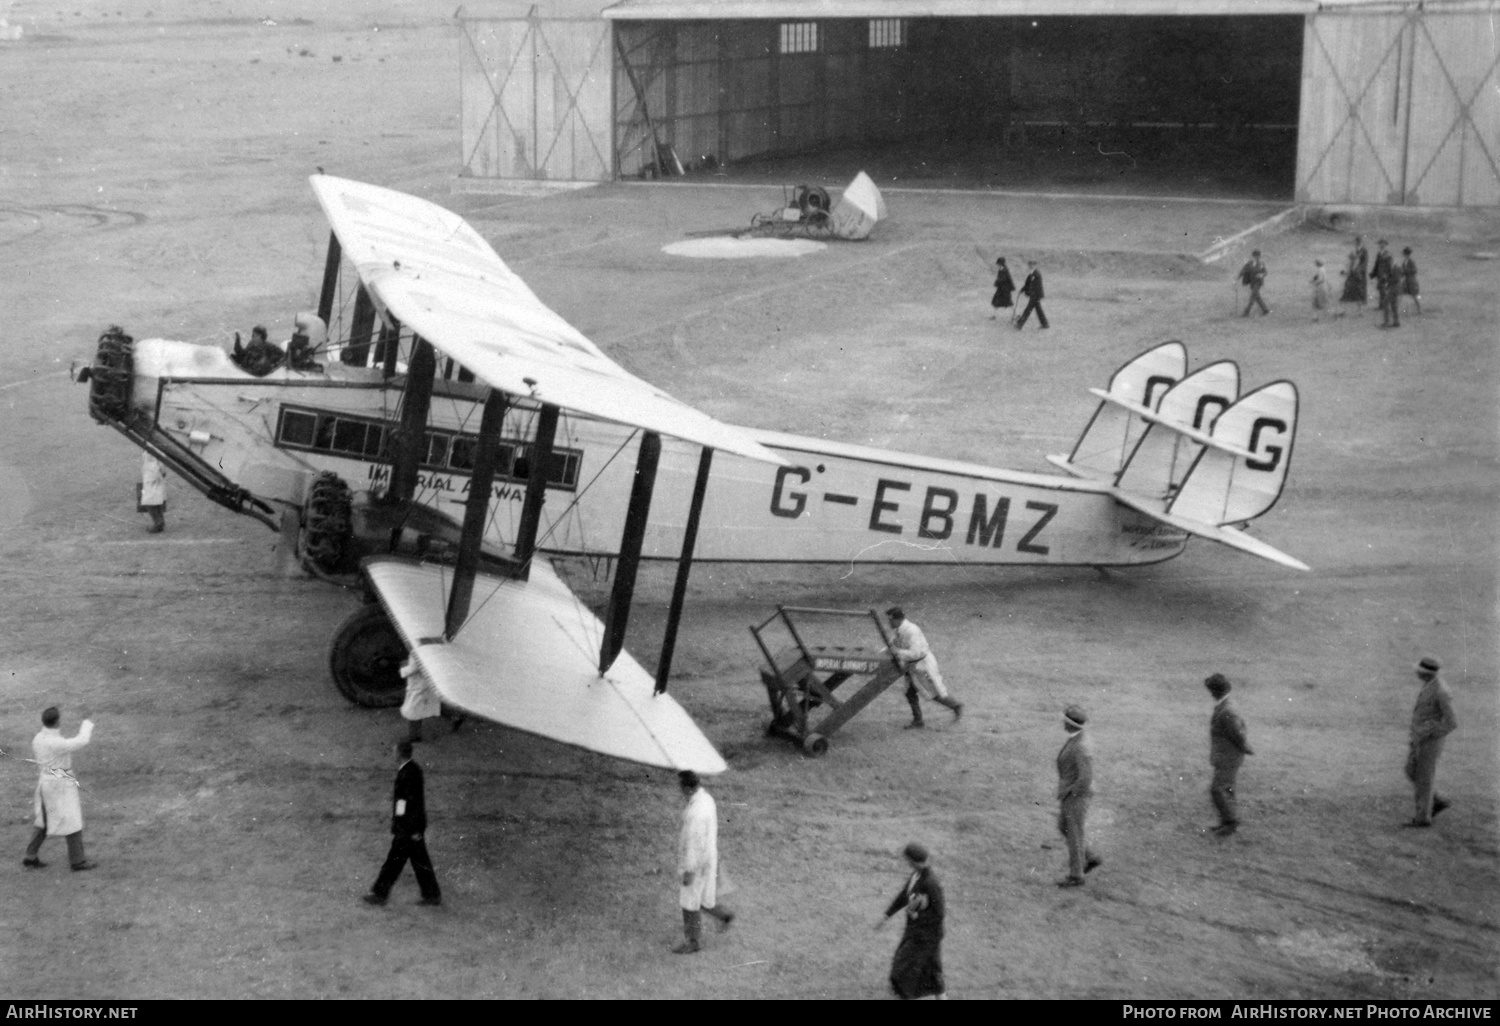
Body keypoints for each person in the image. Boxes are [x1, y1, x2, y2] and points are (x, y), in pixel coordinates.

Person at [363, 740, 441, 906]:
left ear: (399, 753)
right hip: (411, 827)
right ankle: (431, 895)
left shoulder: (406, 773)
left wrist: (405, 826)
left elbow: (407, 804)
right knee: (419, 861)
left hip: (407, 828)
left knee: (394, 861)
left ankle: (380, 894)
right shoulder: (412, 770)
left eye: (394, 751)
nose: (393, 754)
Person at [22, 707, 97, 871]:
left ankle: (30, 855)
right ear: (57, 722)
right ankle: (77, 861)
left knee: (44, 820)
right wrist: (87, 722)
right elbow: (82, 740)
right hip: (60, 785)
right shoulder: (56, 742)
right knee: (72, 820)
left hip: (45, 783)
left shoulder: (38, 738)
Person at [878, 842, 947, 1000]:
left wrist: (918, 917)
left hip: (926, 936)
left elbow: (940, 913)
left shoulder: (931, 883)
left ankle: (906, 996)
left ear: (913, 861)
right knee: (932, 969)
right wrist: (887, 915)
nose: (906, 862)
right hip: (917, 933)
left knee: (903, 968)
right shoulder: (917, 875)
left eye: (907, 860)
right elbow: (905, 895)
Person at [673, 770, 733, 953]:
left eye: (681, 787)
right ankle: (724, 916)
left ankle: (692, 942)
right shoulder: (706, 799)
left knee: (689, 901)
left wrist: (689, 870)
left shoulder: (695, 814)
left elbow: (694, 844)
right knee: (705, 897)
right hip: (709, 857)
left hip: (698, 863)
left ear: (687, 788)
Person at [885, 607, 962, 728]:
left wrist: (897, 652)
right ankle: (918, 721)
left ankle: (956, 706)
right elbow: (892, 645)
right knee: (910, 693)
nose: (889, 623)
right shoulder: (899, 630)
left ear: (898, 619)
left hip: (922, 666)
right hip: (912, 666)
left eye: (890, 620)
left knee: (934, 692)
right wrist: (884, 652)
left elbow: (916, 653)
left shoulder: (912, 631)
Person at [1405, 657, 1457, 828]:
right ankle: (1437, 800)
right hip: (1420, 738)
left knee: (1424, 778)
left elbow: (1451, 722)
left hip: (1430, 741)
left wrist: (1431, 732)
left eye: (1419, 670)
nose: (1416, 672)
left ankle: (1422, 818)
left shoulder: (1441, 691)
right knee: (1411, 770)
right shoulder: (1430, 685)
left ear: (1425, 673)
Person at [1056, 704, 1101, 887]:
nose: (1062, 724)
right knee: (1064, 826)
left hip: (1077, 796)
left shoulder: (1080, 746)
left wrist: (1070, 792)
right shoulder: (1078, 738)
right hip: (1074, 794)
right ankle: (1090, 857)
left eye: (1065, 721)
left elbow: (1086, 778)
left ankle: (1077, 875)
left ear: (1071, 725)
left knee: (1073, 832)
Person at [1205, 673, 1254, 837]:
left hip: (1229, 757)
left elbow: (1237, 734)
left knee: (1217, 790)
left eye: (1211, 690)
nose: (1210, 694)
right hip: (1228, 756)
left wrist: (1245, 747)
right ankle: (1227, 821)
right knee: (1227, 789)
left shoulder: (1226, 710)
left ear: (1215, 692)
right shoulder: (1226, 705)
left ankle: (1230, 823)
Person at [399, 657, 464, 742]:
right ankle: (455, 717)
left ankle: (414, 736)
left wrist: (403, 670)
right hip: (423, 683)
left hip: (420, 685)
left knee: (414, 710)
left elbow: (414, 667)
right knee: (430, 705)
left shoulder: (417, 651)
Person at [1371, 239, 1401, 328]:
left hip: (1393, 288)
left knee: (1386, 303)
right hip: (1393, 287)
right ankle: (1396, 322)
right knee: (1393, 305)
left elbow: (1394, 279)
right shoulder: (1392, 267)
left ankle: (1387, 322)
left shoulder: (1394, 267)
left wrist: (1386, 279)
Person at [139, 452, 167, 534]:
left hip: (152, 472)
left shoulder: (152, 445)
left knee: (149, 499)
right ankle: (160, 522)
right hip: (154, 471)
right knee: (157, 498)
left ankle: (158, 522)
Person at [1015, 260, 1048, 329]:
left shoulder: (1036, 274)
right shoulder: (1032, 273)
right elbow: (1028, 284)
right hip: (1035, 295)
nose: (1030, 266)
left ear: (1035, 265)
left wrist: (1031, 293)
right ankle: (1045, 324)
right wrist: (1022, 290)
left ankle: (1019, 325)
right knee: (1039, 310)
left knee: (1028, 310)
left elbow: (1034, 286)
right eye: (1030, 264)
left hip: (1035, 295)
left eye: (1032, 264)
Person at [1339, 235, 1369, 309]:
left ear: (1360, 242)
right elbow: (1352, 258)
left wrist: (1359, 268)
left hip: (1361, 270)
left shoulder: (1364, 250)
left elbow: (1365, 262)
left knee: (1362, 284)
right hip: (1354, 268)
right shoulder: (1356, 249)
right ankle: (1350, 298)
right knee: (1350, 283)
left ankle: (1363, 300)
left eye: (1358, 242)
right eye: (1356, 242)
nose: (1356, 243)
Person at [1239, 250, 1269, 316]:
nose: (1257, 258)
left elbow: (1265, 272)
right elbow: (1243, 271)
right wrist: (1237, 278)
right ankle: (1265, 310)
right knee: (1257, 297)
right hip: (1252, 283)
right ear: (1253, 256)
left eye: (1258, 256)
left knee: (1252, 297)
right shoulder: (1249, 263)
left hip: (1259, 282)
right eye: (1255, 256)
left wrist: (1262, 275)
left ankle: (1246, 312)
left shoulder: (1261, 263)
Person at [1400, 247, 1421, 316]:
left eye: (1405, 254)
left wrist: (1405, 272)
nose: (1405, 255)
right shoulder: (1404, 262)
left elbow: (1414, 271)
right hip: (1406, 280)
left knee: (1414, 295)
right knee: (1400, 293)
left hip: (1411, 280)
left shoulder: (1411, 261)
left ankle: (1419, 309)